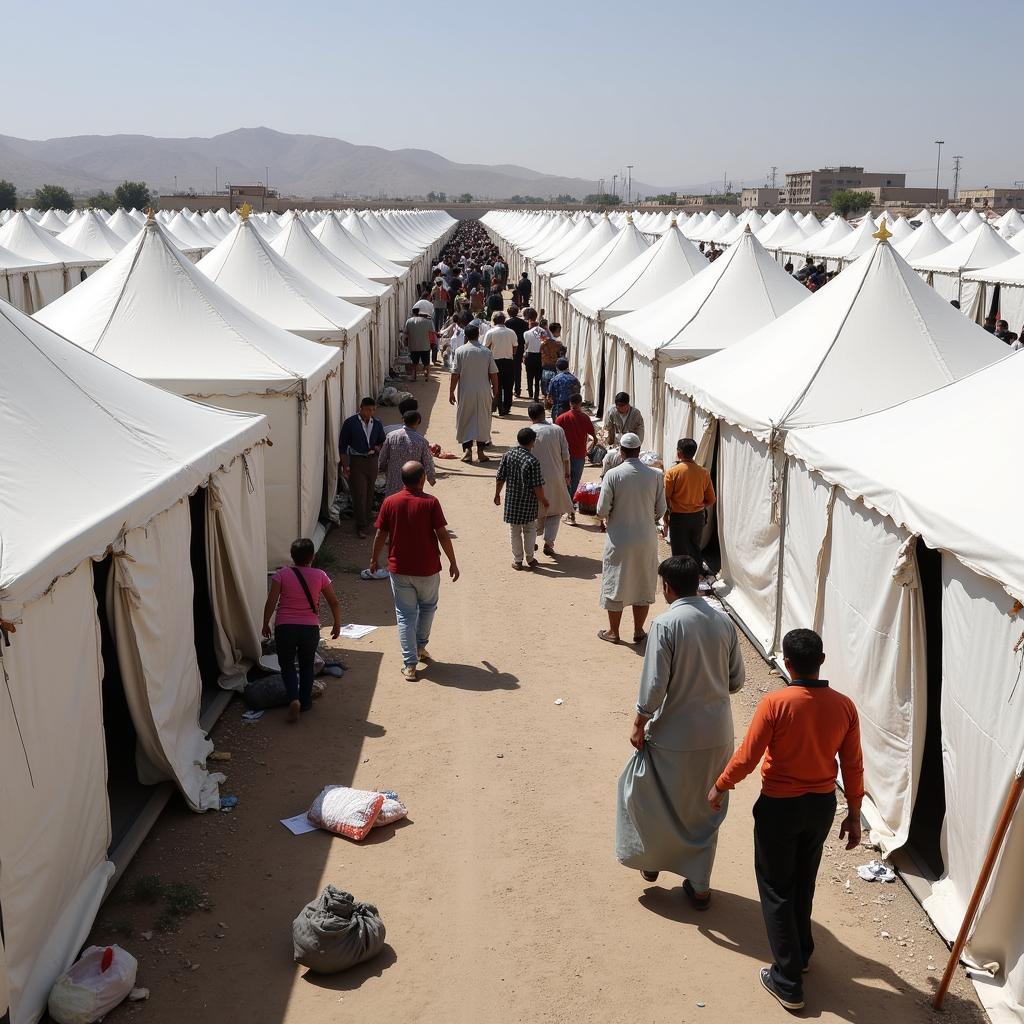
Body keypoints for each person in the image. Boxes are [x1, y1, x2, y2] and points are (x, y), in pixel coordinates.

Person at [709, 629, 864, 1012]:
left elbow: (749, 754)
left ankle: (787, 980)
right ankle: (803, 952)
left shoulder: (776, 703)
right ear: (822, 661)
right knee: (803, 879)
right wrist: (856, 814)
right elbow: (853, 765)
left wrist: (721, 785)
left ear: (788, 663)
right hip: (821, 805)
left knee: (777, 887)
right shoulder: (844, 706)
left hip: (780, 806)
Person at [617, 555, 744, 902]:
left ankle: (653, 858)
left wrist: (639, 722)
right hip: (718, 736)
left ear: (667, 587)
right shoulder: (723, 623)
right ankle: (700, 886)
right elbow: (737, 681)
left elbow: (655, 685)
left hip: (674, 734)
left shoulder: (666, 624)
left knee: (646, 794)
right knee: (704, 810)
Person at [370, 462, 459, 681]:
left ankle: (410, 665)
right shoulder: (431, 502)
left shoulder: (390, 502)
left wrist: (374, 559)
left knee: (405, 615)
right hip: (428, 569)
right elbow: (442, 535)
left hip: (399, 569)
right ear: (421, 480)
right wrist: (453, 562)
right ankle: (420, 647)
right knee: (428, 608)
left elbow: (381, 534)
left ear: (402, 480)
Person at [261, 538, 342, 722]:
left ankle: (293, 698)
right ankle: (305, 702)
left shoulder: (281, 574)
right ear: (313, 556)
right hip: (309, 628)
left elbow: (271, 602)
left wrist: (265, 623)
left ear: (292, 556)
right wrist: (337, 624)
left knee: (287, 665)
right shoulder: (320, 575)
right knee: (307, 665)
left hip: (285, 627)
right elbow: (334, 602)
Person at [596, 433, 666, 644]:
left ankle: (613, 632)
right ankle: (638, 630)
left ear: (621, 451)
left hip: (619, 538)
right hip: (646, 538)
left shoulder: (613, 475)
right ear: (639, 449)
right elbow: (661, 509)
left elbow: (601, 510)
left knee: (615, 582)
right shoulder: (655, 475)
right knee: (642, 583)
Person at [495, 427, 549, 570]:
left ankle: (517, 560)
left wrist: (497, 494)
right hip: (528, 503)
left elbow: (500, 477)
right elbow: (537, 486)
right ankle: (530, 558)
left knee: (514, 531)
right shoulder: (533, 461)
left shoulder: (508, 455)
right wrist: (544, 500)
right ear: (532, 442)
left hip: (512, 501)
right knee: (530, 529)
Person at [449, 323, 499, 463]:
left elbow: (455, 374)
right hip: (483, 391)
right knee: (482, 420)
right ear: (478, 335)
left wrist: (451, 392)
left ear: (465, 336)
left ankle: (467, 451)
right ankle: (481, 452)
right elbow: (494, 374)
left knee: (465, 419)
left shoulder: (460, 351)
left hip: (465, 391)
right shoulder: (486, 352)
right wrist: (495, 392)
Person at [527, 402, 572, 556]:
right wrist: (567, 475)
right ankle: (549, 542)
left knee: (534, 512)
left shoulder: (528, 432)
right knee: (554, 512)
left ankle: (531, 541)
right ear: (543, 414)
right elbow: (566, 456)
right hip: (555, 478)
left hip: (533, 479)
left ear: (530, 416)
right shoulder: (557, 430)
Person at [662, 438, 716, 565]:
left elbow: (666, 498)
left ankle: (680, 578)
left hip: (679, 518)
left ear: (679, 453)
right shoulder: (704, 472)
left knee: (679, 552)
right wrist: (699, 506)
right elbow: (712, 499)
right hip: (698, 518)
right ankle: (696, 575)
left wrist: (665, 518)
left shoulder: (672, 472)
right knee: (694, 549)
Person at [340, 397, 386, 538]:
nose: (370, 412)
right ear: (361, 408)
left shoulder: (376, 423)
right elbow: (342, 447)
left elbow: (382, 441)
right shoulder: (350, 423)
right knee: (359, 493)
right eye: (368, 409)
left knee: (370, 491)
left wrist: (377, 448)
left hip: (372, 461)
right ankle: (361, 525)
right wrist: (346, 466)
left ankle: (365, 518)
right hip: (357, 461)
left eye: (373, 410)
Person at [556, 393, 596, 524]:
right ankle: (570, 510)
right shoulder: (585, 418)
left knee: (565, 481)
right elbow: (594, 438)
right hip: (579, 455)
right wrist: (587, 449)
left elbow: (556, 439)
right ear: (580, 404)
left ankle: (568, 511)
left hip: (564, 456)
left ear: (570, 403)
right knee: (574, 482)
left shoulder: (561, 418)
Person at [378, 409, 436, 496]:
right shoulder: (422, 441)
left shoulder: (391, 436)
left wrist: (381, 468)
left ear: (403, 420)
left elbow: (383, 456)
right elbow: (428, 461)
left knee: (394, 503)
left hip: (393, 481)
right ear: (418, 422)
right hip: (413, 482)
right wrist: (431, 478)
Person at [484, 311, 517, 416]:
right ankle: (506, 408)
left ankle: (498, 407)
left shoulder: (490, 332)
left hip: (495, 362)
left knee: (496, 385)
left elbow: (485, 347)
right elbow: (515, 346)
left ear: (494, 321)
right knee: (508, 386)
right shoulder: (511, 332)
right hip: (508, 362)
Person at [404, 308, 435, 382]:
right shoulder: (428, 321)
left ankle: (414, 377)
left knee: (414, 363)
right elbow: (432, 332)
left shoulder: (409, 321)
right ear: (420, 312)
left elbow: (406, 333)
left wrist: (406, 342)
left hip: (413, 346)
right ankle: (427, 376)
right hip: (425, 346)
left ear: (412, 312)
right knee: (426, 363)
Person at [505, 304, 529, 397]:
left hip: (509, 348)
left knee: (509, 370)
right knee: (517, 369)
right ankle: (517, 390)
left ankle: (509, 389)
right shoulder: (523, 323)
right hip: (519, 348)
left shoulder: (507, 323)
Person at [523, 310, 545, 401]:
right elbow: (544, 343)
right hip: (539, 356)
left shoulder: (527, 333)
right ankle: (536, 394)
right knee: (538, 376)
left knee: (529, 375)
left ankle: (530, 393)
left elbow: (526, 345)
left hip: (530, 355)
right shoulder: (542, 331)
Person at [540, 323, 564, 395]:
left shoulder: (543, 342)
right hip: (554, 365)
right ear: (556, 331)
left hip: (545, 364)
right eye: (559, 331)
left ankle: (546, 396)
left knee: (545, 381)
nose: (559, 333)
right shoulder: (558, 344)